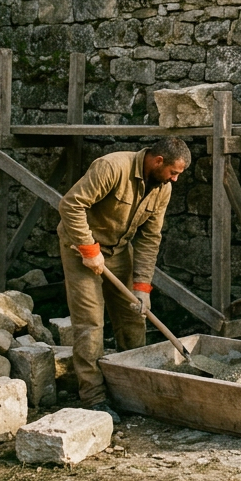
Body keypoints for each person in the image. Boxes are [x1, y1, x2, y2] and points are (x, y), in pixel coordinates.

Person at [57, 137, 191, 420]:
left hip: (118, 250)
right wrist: (88, 248)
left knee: (133, 316)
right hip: (81, 248)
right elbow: (70, 205)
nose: (176, 179)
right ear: (158, 161)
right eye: (174, 172)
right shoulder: (111, 168)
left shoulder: (161, 188)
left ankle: (134, 387)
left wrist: (142, 286)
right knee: (91, 321)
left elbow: (150, 237)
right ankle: (93, 398)